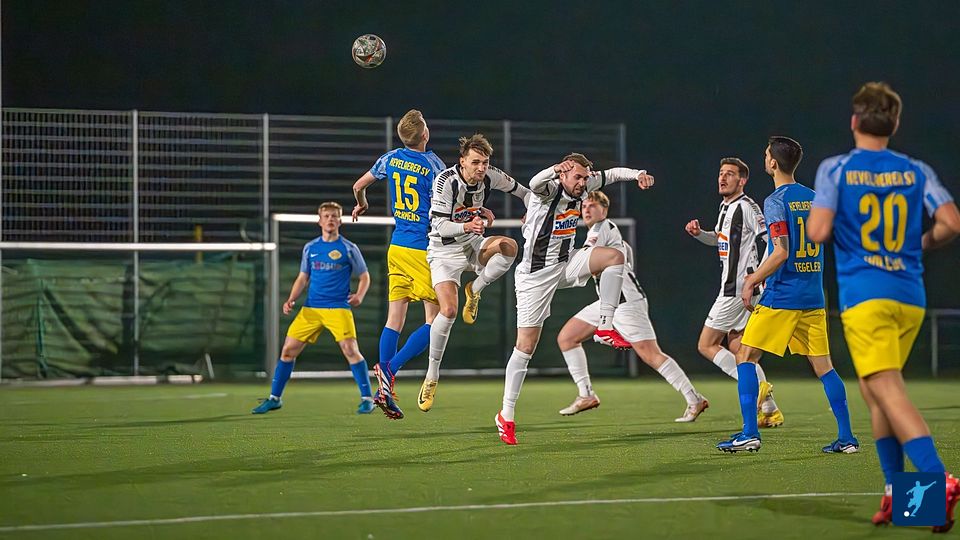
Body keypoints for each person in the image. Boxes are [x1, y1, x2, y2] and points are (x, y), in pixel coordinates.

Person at [806, 82, 960, 531]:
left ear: (855, 121)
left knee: (886, 389)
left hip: (866, 297)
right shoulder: (916, 170)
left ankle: (936, 480)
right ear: (894, 124)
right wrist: (921, 243)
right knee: (876, 394)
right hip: (909, 296)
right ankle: (902, 500)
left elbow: (818, 231)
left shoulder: (837, 169)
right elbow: (951, 223)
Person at [496, 153, 655, 445]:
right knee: (525, 347)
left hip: (566, 264)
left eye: (585, 177)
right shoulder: (549, 189)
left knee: (615, 256)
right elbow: (535, 182)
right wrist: (554, 168)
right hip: (535, 277)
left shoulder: (585, 184)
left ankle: (604, 327)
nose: (582, 183)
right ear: (563, 174)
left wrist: (638, 173)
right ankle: (506, 414)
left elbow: (613, 174)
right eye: (577, 177)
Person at [715, 137, 859, 455]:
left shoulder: (775, 201)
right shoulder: (814, 198)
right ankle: (847, 438)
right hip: (813, 296)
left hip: (782, 295)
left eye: (767, 154)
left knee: (745, 357)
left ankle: (749, 433)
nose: (765, 158)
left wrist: (752, 280)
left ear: (773, 163)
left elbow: (781, 251)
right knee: (825, 368)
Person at [557, 191, 708, 422]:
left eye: (592, 205)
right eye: (584, 206)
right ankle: (586, 394)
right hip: (611, 301)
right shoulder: (614, 235)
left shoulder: (600, 228)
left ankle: (694, 398)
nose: (586, 209)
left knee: (651, 354)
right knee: (567, 337)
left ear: (604, 210)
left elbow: (586, 257)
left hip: (624, 302)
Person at [415, 133, 531, 413]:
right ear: (462, 161)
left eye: (485, 162)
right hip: (444, 251)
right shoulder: (445, 181)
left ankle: (474, 289)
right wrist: (468, 225)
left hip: (472, 244)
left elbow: (526, 193)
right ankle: (432, 376)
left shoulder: (491, 175)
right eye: (475, 162)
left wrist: (532, 212)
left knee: (509, 247)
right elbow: (440, 226)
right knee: (449, 311)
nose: (481, 168)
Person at [351, 109, 446, 419]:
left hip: (397, 248)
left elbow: (358, 186)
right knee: (437, 319)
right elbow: (447, 206)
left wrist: (362, 204)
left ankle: (384, 391)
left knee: (394, 319)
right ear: (425, 134)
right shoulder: (434, 165)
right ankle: (389, 369)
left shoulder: (390, 158)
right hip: (422, 249)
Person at [685, 158, 782, 426]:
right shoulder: (725, 206)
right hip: (739, 289)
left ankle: (758, 389)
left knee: (706, 344)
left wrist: (758, 276)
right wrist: (699, 234)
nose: (723, 178)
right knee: (739, 348)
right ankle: (770, 409)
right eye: (721, 173)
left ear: (742, 180)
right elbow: (720, 240)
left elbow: (771, 241)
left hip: (737, 290)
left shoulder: (747, 207)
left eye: (729, 174)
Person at [253, 202, 373, 415]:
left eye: (334, 216)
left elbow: (364, 276)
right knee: (288, 351)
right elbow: (303, 277)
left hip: (338, 308)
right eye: (326, 216)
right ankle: (274, 398)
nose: (330, 219)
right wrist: (291, 299)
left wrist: (359, 296)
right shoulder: (310, 248)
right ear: (319, 221)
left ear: (340, 220)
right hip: (311, 309)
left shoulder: (349, 248)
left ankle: (367, 399)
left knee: (350, 350)